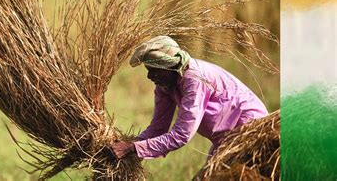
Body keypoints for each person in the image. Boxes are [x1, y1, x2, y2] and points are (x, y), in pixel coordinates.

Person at [111, 36, 268, 160]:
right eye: (148, 70)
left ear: (169, 66)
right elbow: (158, 128)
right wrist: (132, 145)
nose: (149, 76)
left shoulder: (194, 79)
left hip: (249, 128)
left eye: (155, 71)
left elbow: (182, 135)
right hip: (225, 138)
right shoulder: (165, 85)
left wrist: (133, 148)